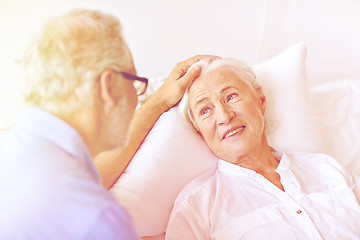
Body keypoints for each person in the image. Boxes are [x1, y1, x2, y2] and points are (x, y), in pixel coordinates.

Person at [0, 8, 218, 239]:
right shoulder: (98, 218)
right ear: (109, 86)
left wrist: (160, 101)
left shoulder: (17, 154)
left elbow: (91, 176)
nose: (136, 96)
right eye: (135, 81)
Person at [165, 58, 360, 239]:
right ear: (199, 132)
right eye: (205, 110)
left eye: (231, 96)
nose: (224, 116)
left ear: (261, 101)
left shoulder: (327, 168)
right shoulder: (197, 206)